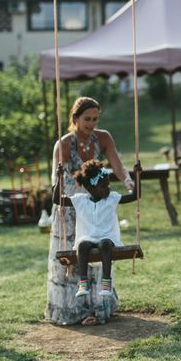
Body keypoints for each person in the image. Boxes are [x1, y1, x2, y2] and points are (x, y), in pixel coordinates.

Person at [46, 96, 136, 326]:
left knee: (100, 252)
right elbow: (55, 181)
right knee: (75, 257)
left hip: (97, 205)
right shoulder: (64, 143)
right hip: (72, 205)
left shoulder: (103, 138)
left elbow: (116, 163)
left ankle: (98, 307)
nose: (91, 123)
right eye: (87, 119)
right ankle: (74, 309)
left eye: (95, 119)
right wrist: (58, 182)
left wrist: (127, 179)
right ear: (75, 118)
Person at [53, 159, 141, 298]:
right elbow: (58, 200)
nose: (108, 188)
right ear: (90, 188)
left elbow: (135, 196)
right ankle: (83, 283)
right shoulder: (80, 200)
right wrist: (60, 178)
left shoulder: (112, 198)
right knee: (82, 245)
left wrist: (137, 175)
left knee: (105, 243)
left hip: (108, 238)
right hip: (88, 237)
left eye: (108, 185)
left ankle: (106, 283)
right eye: (104, 186)